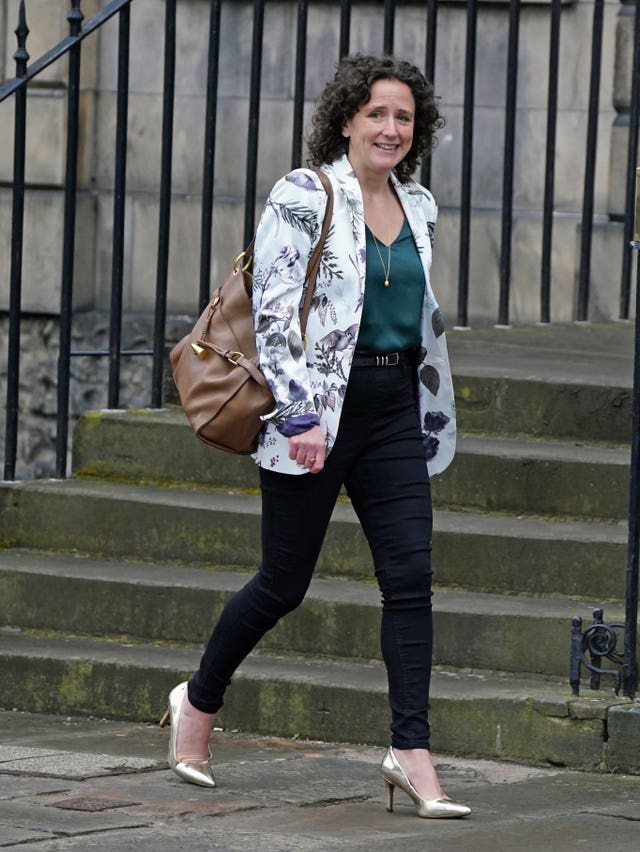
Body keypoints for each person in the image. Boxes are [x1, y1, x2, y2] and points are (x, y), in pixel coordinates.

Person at [160, 53, 470, 820]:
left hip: (396, 412)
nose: (392, 128)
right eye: (377, 115)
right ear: (346, 120)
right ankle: (197, 703)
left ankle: (411, 750)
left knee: (410, 580)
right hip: (315, 419)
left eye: (404, 116)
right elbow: (271, 311)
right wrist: (297, 415)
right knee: (282, 585)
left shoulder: (421, 205)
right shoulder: (304, 194)